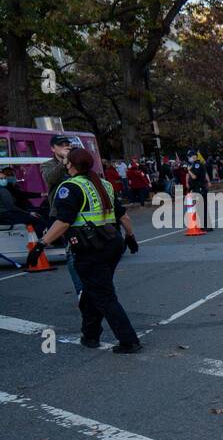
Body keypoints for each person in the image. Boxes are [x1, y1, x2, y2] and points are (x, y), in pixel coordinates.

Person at [26, 148, 141, 352]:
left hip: (90, 249)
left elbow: (63, 222)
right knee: (90, 292)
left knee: (103, 295)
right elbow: (124, 217)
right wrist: (130, 237)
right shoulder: (103, 184)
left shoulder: (69, 187)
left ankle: (129, 340)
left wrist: (40, 244)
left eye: (66, 162)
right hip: (112, 243)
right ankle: (90, 335)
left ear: (69, 164)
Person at [39, 135, 73, 210]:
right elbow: (49, 179)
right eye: (61, 145)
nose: (65, 148)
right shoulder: (47, 164)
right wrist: (63, 163)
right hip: (59, 209)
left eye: (66, 145)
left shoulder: (75, 162)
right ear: (53, 149)